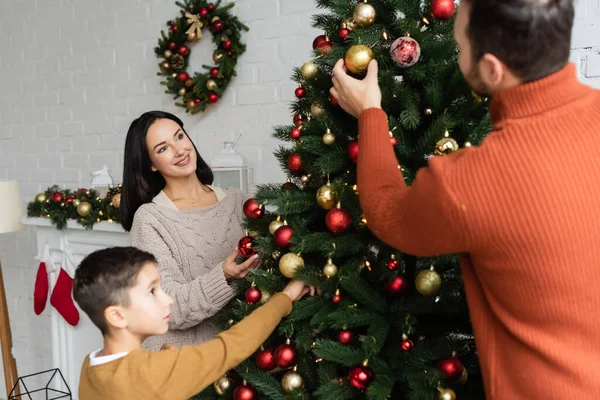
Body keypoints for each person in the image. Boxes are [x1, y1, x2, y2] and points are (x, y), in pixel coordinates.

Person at [331, 0, 600, 399]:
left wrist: (370, 112)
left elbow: (387, 211)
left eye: (460, 46)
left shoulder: (473, 181)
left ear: (492, 69)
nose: (457, 56)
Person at [73, 246, 314, 400]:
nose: (168, 300)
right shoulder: (153, 371)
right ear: (117, 316)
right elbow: (231, 346)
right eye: (152, 292)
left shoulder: (92, 366)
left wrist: (164, 359)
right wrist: (285, 298)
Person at [120, 111, 255, 350]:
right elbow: (170, 308)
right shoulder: (150, 220)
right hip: (188, 364)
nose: (179, 150)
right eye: (163, 148)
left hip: (245, 354)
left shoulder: (237, 202)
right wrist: (224, 276)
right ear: (150, 164)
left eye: (179, 137)